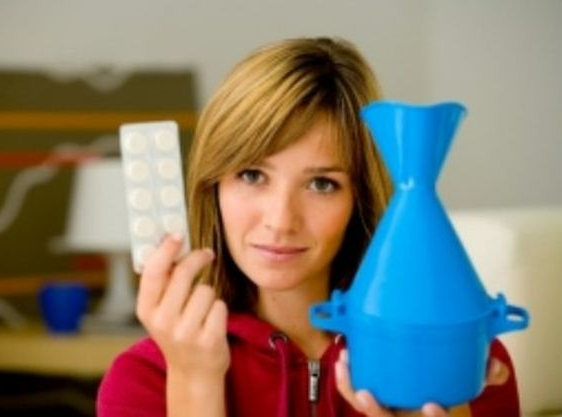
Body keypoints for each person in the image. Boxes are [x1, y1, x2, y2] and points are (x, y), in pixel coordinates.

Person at [97, 37, 520, 417]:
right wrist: (194, 381)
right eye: (252, 175)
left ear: (359, 199)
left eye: (321, 184)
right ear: (214, 187)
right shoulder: (144, 379)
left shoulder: (465, 363)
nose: (281, 221)